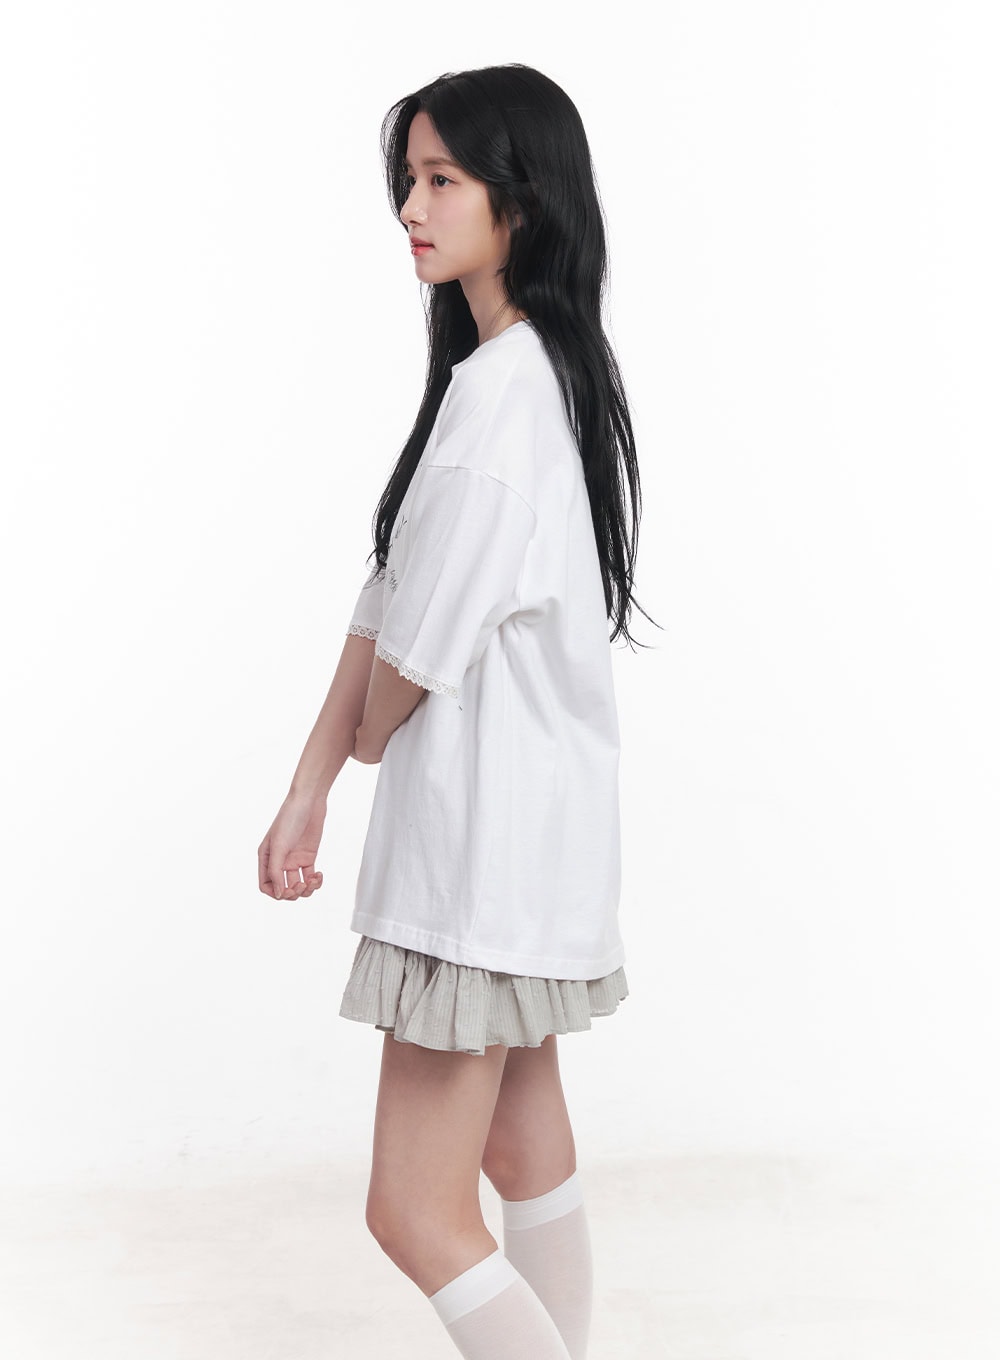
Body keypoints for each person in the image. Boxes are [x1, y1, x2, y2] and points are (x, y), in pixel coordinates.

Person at [257, 63, 655, 1360]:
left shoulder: (500, 400)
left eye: (442, 180)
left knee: (415, 1212)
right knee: (524, 1153)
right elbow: (391, 597)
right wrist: (314, 780)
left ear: (519, 201)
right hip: (526, 854)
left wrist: (361, 742)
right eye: (409, 180)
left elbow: (411, 655)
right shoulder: (532, 375)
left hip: (477, 862)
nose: (412, 209)